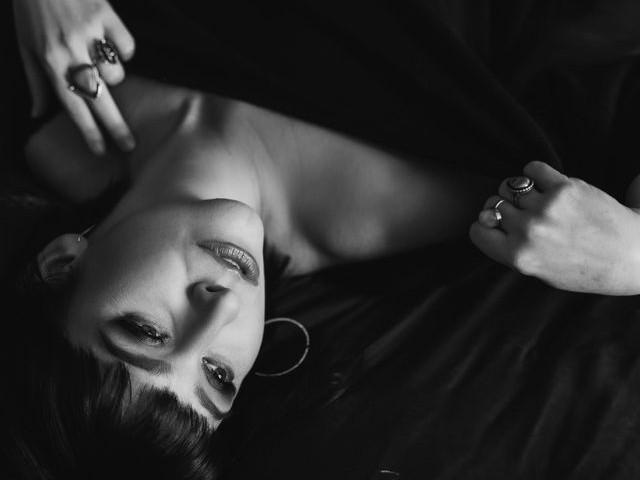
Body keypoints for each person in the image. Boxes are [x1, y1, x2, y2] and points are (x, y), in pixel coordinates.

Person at [8, 0, 640, 478]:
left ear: (61, 263)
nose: (221, 311)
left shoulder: (35, 89)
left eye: (147, 332)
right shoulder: (450, 217)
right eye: (219, 375)